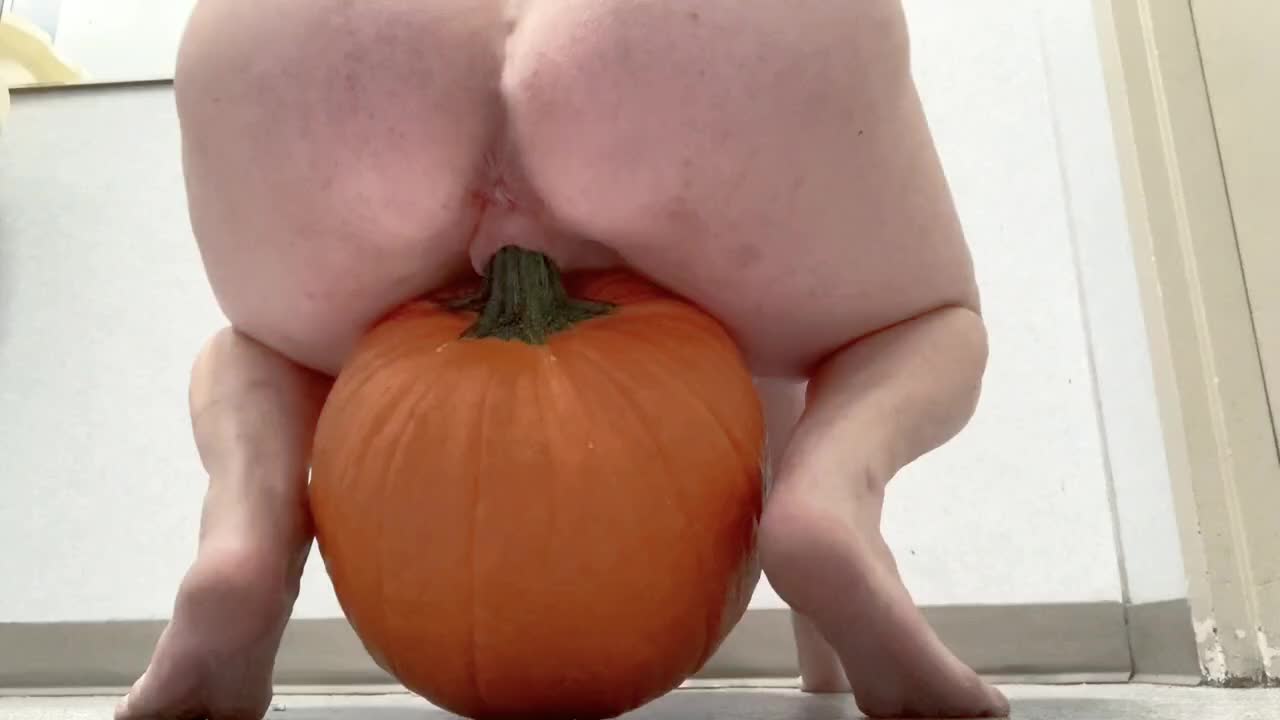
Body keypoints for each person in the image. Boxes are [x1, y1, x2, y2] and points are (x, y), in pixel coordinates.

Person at [116, 1, 1010, 718]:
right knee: (922, 325)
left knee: (267, 350)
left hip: (309, 34)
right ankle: (829, 494)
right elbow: (771, 365)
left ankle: (248, 532)